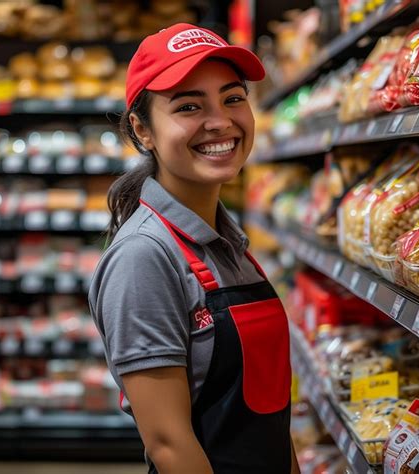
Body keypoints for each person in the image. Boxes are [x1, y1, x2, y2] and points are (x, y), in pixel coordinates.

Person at [89, 23, 300, 474]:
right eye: (188, 106)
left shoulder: (230, 242)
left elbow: (271, 422)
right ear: (142, 130)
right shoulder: (144, 257)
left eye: (233, 98)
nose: (221, 121)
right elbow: (169, 446)